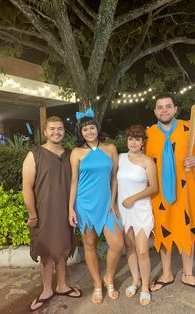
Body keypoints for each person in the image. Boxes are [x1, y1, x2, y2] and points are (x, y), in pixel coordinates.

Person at [146, 95, 195, 295]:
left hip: (187, 191)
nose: (164, 110)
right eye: (160, 107)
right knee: (163, 230)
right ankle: (166, 273)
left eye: (168, 106)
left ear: (175, 109)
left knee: (188, 229)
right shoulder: (149, 133)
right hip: (159, 194)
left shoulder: (190, 127)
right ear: (155, 111)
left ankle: (188, 274)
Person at [22, 116, 82, 312]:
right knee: (46, 252)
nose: (56, 132)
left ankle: (62, 286)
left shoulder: (71, 154)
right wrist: (33, 215)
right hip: (44, 212)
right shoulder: (35, 154)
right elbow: (27, 188)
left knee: (64, 248)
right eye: (52, 129)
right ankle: (47, 290)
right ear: (45, 132)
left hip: (66, 211)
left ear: (64, 131)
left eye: (60, 129)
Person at [69, 108, 123, 304]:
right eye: (85, 130)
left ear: (97, 129)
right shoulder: (76, 153)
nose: (89, 132)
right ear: (80, 133)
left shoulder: (110, 148)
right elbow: (74, 182)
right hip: (84, 204)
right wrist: (70, 209)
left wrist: (112, 201)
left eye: (92, 128)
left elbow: (114, 177)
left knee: (117, 244)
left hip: (106, 205)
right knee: (89, 245)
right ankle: (97, 285)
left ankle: (109, 277)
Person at [117, 125, 158, 306]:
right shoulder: (119, 158)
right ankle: (135, 281)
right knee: (130, 248)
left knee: (142, 250)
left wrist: (133, 198)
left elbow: (153, 187)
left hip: (140, 209)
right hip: (123, 210)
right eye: (131, 138)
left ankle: (145, 288)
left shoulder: (148, 161)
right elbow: (112, 182)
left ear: (143, 142)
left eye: (137, 139)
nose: (133, 142)